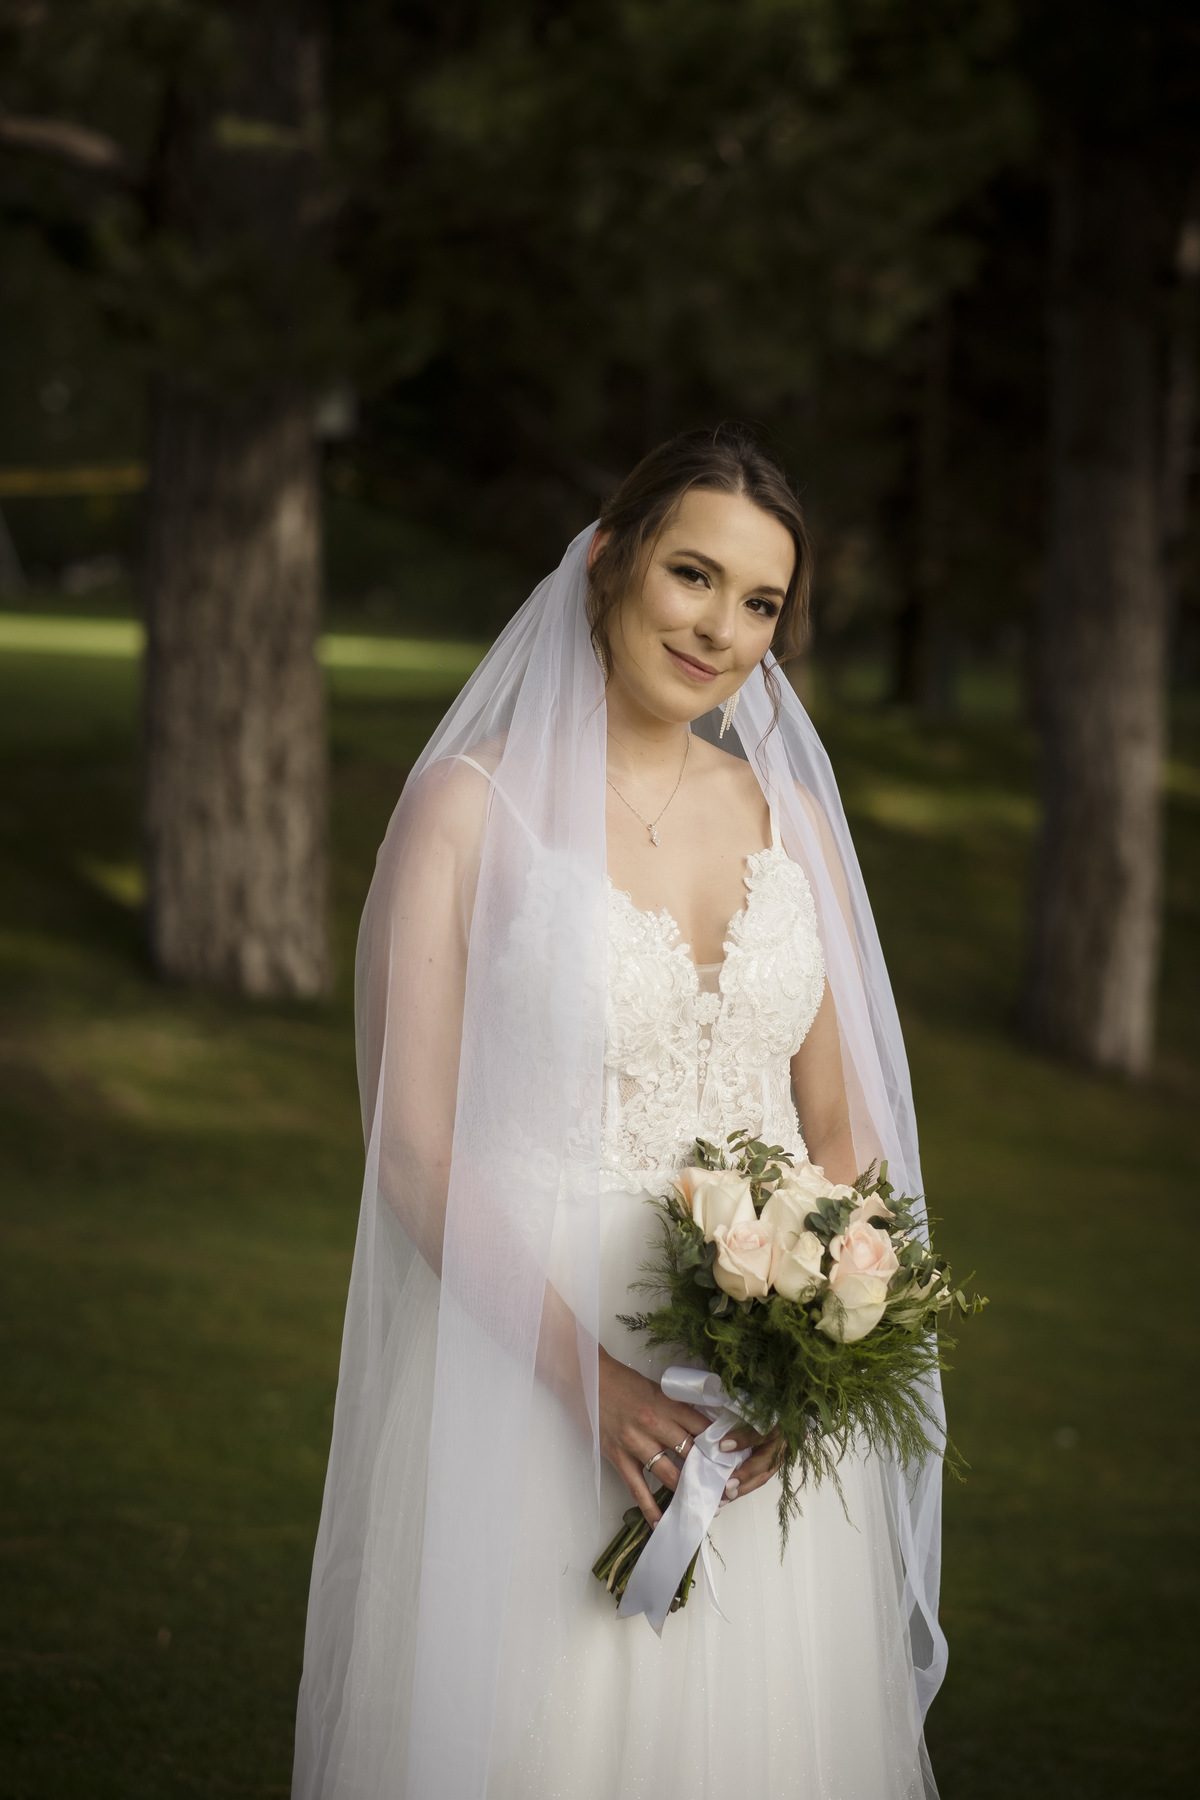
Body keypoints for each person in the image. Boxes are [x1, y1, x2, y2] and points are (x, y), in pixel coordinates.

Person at [292, 425, 945, 1800]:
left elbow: (846, 1129)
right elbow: (415, 1147)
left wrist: (814, 1341)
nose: (720, 628)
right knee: (545, 1721)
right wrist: (585, 1378)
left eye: (760, 602)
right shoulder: (466, 813)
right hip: (532, 1354)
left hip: (749, 1408)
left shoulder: (791, 823)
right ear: (609, 562)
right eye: (693, 576)